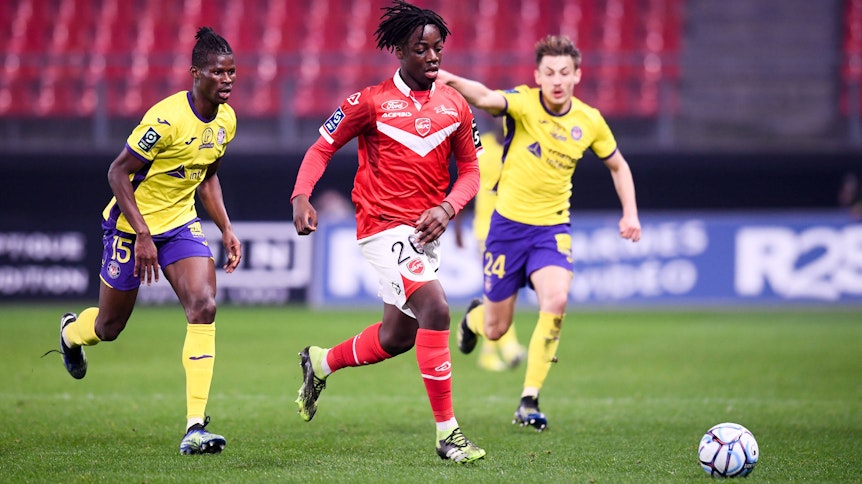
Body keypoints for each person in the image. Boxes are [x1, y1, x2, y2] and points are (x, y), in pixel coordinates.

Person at [290, 0, 485, 464]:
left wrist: (448, 206)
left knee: (397, 337)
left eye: (438, 48)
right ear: (399, 50)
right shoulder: (369, 102)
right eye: (422, 49)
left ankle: (320, 362)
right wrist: (301, 195)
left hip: (426, 232)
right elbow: (322, 148)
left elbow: (473, 169)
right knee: (437, 308)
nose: (433, 57)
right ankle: (448, 434)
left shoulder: (455, 105)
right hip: (381, 227)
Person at [49, 27, 241, 454]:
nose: (227, 80)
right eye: (218, 72)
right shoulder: (166, 119)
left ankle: (195, 425)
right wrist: (141, 234)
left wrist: (226, 227)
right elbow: (117, 172)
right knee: (109, 326)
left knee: (204, 306)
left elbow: (207, 176)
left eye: (232, 72)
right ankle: (71, 334)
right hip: (129, 227)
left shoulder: (226, 121)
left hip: (179, 225)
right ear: (196, 73)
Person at [436, 34, 642, 432]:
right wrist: (451, 79)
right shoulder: (524, 103)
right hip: (506, 230)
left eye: (565, 72)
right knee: (496, 327)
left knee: (557, 299)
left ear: (577, 75)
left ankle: (528, 400)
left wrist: (630, 213)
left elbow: (618, 165)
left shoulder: (590, 120)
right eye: (549, 72)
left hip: (551, 230)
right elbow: (485, 98)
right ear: (538, 76)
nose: (557, 80)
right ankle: (472, 321)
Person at [456, 120, 526, 372]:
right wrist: (456, 227)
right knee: (499, 289)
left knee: (504, 291)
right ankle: (509, 347)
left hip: (516, 228)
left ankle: (487, 352)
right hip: (487, 231)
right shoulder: (480, 146)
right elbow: (467, 183)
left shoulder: (520, 147)